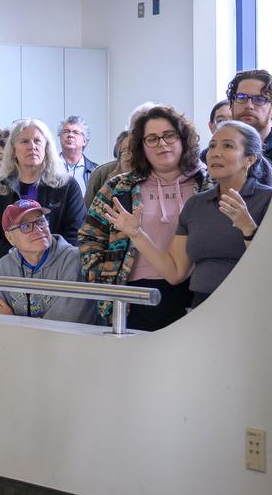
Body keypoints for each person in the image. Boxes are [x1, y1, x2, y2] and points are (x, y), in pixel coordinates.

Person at [106, 120, 272, 308]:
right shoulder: (196, 204)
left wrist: (248, 228)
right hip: (200, 307)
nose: (216, 153)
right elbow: (175, 272)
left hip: (251, 306)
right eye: (212, 146)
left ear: (249, 159)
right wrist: (136, 234)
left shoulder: (270, 199)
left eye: (228, 146)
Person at [77, 103, 208, 331]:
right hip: (134, 293)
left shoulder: (207, 183)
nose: (162, 144)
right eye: (152, 139)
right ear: (142, 146)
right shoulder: (119, 186)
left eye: (169, 135)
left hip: (197, 291)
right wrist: (108, 286)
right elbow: (89, 237)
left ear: (183, 138)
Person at [0, 119, 85, 268]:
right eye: (25, 141)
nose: (32, 146)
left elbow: (74, 233)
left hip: (58, 269)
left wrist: (49, 265)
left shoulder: (68, 186)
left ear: (46, 147)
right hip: (10, 269)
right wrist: (16, 264)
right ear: (13, 150)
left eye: (37, 141)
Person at [0, 198, 95, 325]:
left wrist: (13, 321)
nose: (38, 230)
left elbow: (62, 328)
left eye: (40, 221)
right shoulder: (3, 267)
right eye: (26, 226)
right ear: (10, 237)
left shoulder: (74, 260)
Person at [225, 68, 272, 177]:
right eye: (241, 97)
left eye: (259, 99)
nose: (249, 106)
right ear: (231, 105)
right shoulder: (214, 153)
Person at [58, 116, 99, 189]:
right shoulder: (47, 167)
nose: (70, 135)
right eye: (66, 131)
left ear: (85, 141)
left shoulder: (95, 171)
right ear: (60, 137)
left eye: (76, 132)